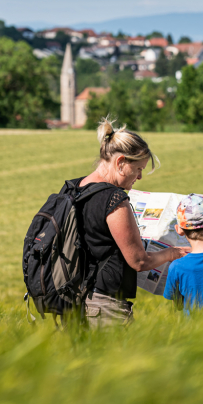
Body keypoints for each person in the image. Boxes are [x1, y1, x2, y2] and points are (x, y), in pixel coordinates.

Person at [64, 117, 186, 328]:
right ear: (120, 162)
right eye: (138, 169)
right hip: (104, 308)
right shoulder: (114, 200)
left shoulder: (74, 188)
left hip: (70, 301)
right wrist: (174, 253)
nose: (139, 177)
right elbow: (140, 262)